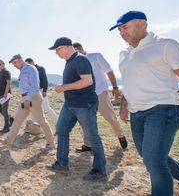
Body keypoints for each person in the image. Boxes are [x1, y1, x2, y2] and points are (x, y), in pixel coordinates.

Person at [110, 11, 179, 196]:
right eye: (120, 30)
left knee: (154, 160)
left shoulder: (165, 45)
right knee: (150, 157)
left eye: (125, 27)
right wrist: (124, 103)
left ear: (143, 24)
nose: (122, 33)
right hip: (137, 113)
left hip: (163, 109)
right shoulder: (124, 53)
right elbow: (130, 80)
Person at [46, 37, 107, 181]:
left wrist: (63, 87)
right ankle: (62, 163)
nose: (56, 53)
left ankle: (99, 170)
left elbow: (87, 81)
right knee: (61, 130)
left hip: (84, 105)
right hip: (70, 104)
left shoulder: (80, 59)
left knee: (92, 136)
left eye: (57, 50)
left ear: (65, 47)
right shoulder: (70, 62)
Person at [72, 42, 128, 151]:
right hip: (85, 95)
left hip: (100, 92)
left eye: (75, 52)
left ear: (80, 49)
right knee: (86, 120)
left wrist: (115, 87)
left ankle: (120, 135)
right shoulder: (75, 63)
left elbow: (109, 71)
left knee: (110, 117)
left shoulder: (96, 56)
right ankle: (88, 144)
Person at [0, 54, 55, 151]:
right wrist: (24, 99)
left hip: (33, 98)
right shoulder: (22, 71)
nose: (14, 65)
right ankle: (8, 142)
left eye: (15, 62)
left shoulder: (31, 69)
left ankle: (51, 143)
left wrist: (28, 99)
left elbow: (35, 85)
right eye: (13, 64)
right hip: (25, 99)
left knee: (41, 121)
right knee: (17, 120)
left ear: (21, 60)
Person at [24, 58, 58, 133]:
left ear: (32, 62)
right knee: (34, 109)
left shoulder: (40, 68)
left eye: (28, 64)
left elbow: (45, 80)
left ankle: (57, 122)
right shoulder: (30, 71)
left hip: (41, 90)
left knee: (46, 108)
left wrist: (45, 90)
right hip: (34, 92)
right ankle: (34, 128)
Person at [0, 59, 14, 133]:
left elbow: (8, 83)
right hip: (0, 95)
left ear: (3, 64)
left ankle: (7, 127)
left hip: (5, 95)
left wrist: (5, 93)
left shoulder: (6, 72)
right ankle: (10, 119)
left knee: (4, 110)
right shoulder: (0, 72)